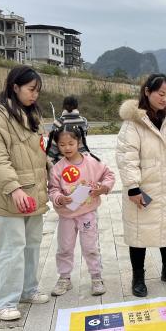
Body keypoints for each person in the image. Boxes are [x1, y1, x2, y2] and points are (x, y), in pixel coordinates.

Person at [0, 66, 50, 321]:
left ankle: (28, 289)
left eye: (37, 91)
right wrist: (14, 189)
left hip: (34, 190)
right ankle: (4, 301)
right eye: (31, 90)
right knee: (12, 246)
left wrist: (54, 171)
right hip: (10, 193)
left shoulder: (31, 115)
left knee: (32, 244)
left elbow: (40, 151)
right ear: (15, 87)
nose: (34, 95)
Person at [116, 73, 166, 298]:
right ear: (147, 92)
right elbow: (127, 157)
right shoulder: (133, 124)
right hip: (143, 190)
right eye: (160, 93)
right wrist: (133, 187)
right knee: (139, 234)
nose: (164, 99)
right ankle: (138, 277)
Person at [48, 126, 115, 297]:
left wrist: (103, 188)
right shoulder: (57, 167)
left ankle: (96, 277)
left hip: (87, 213)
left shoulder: (92, 162)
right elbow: (53, 189)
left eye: (71, 143)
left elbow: (109, 175)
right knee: (64, 247)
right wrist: (59, 198)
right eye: (62, 144)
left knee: (90, 246)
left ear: (79, 142)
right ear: (57, 145)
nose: (67, 148)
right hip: (66, 215)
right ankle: (64, 278)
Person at [46, 95, 89, 164]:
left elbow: (52, 145)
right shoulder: (84, 121)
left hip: (64, 163)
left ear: (63, 107)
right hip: (82, 160)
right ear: (77, 106)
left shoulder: (59, 122)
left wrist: (50, 160)